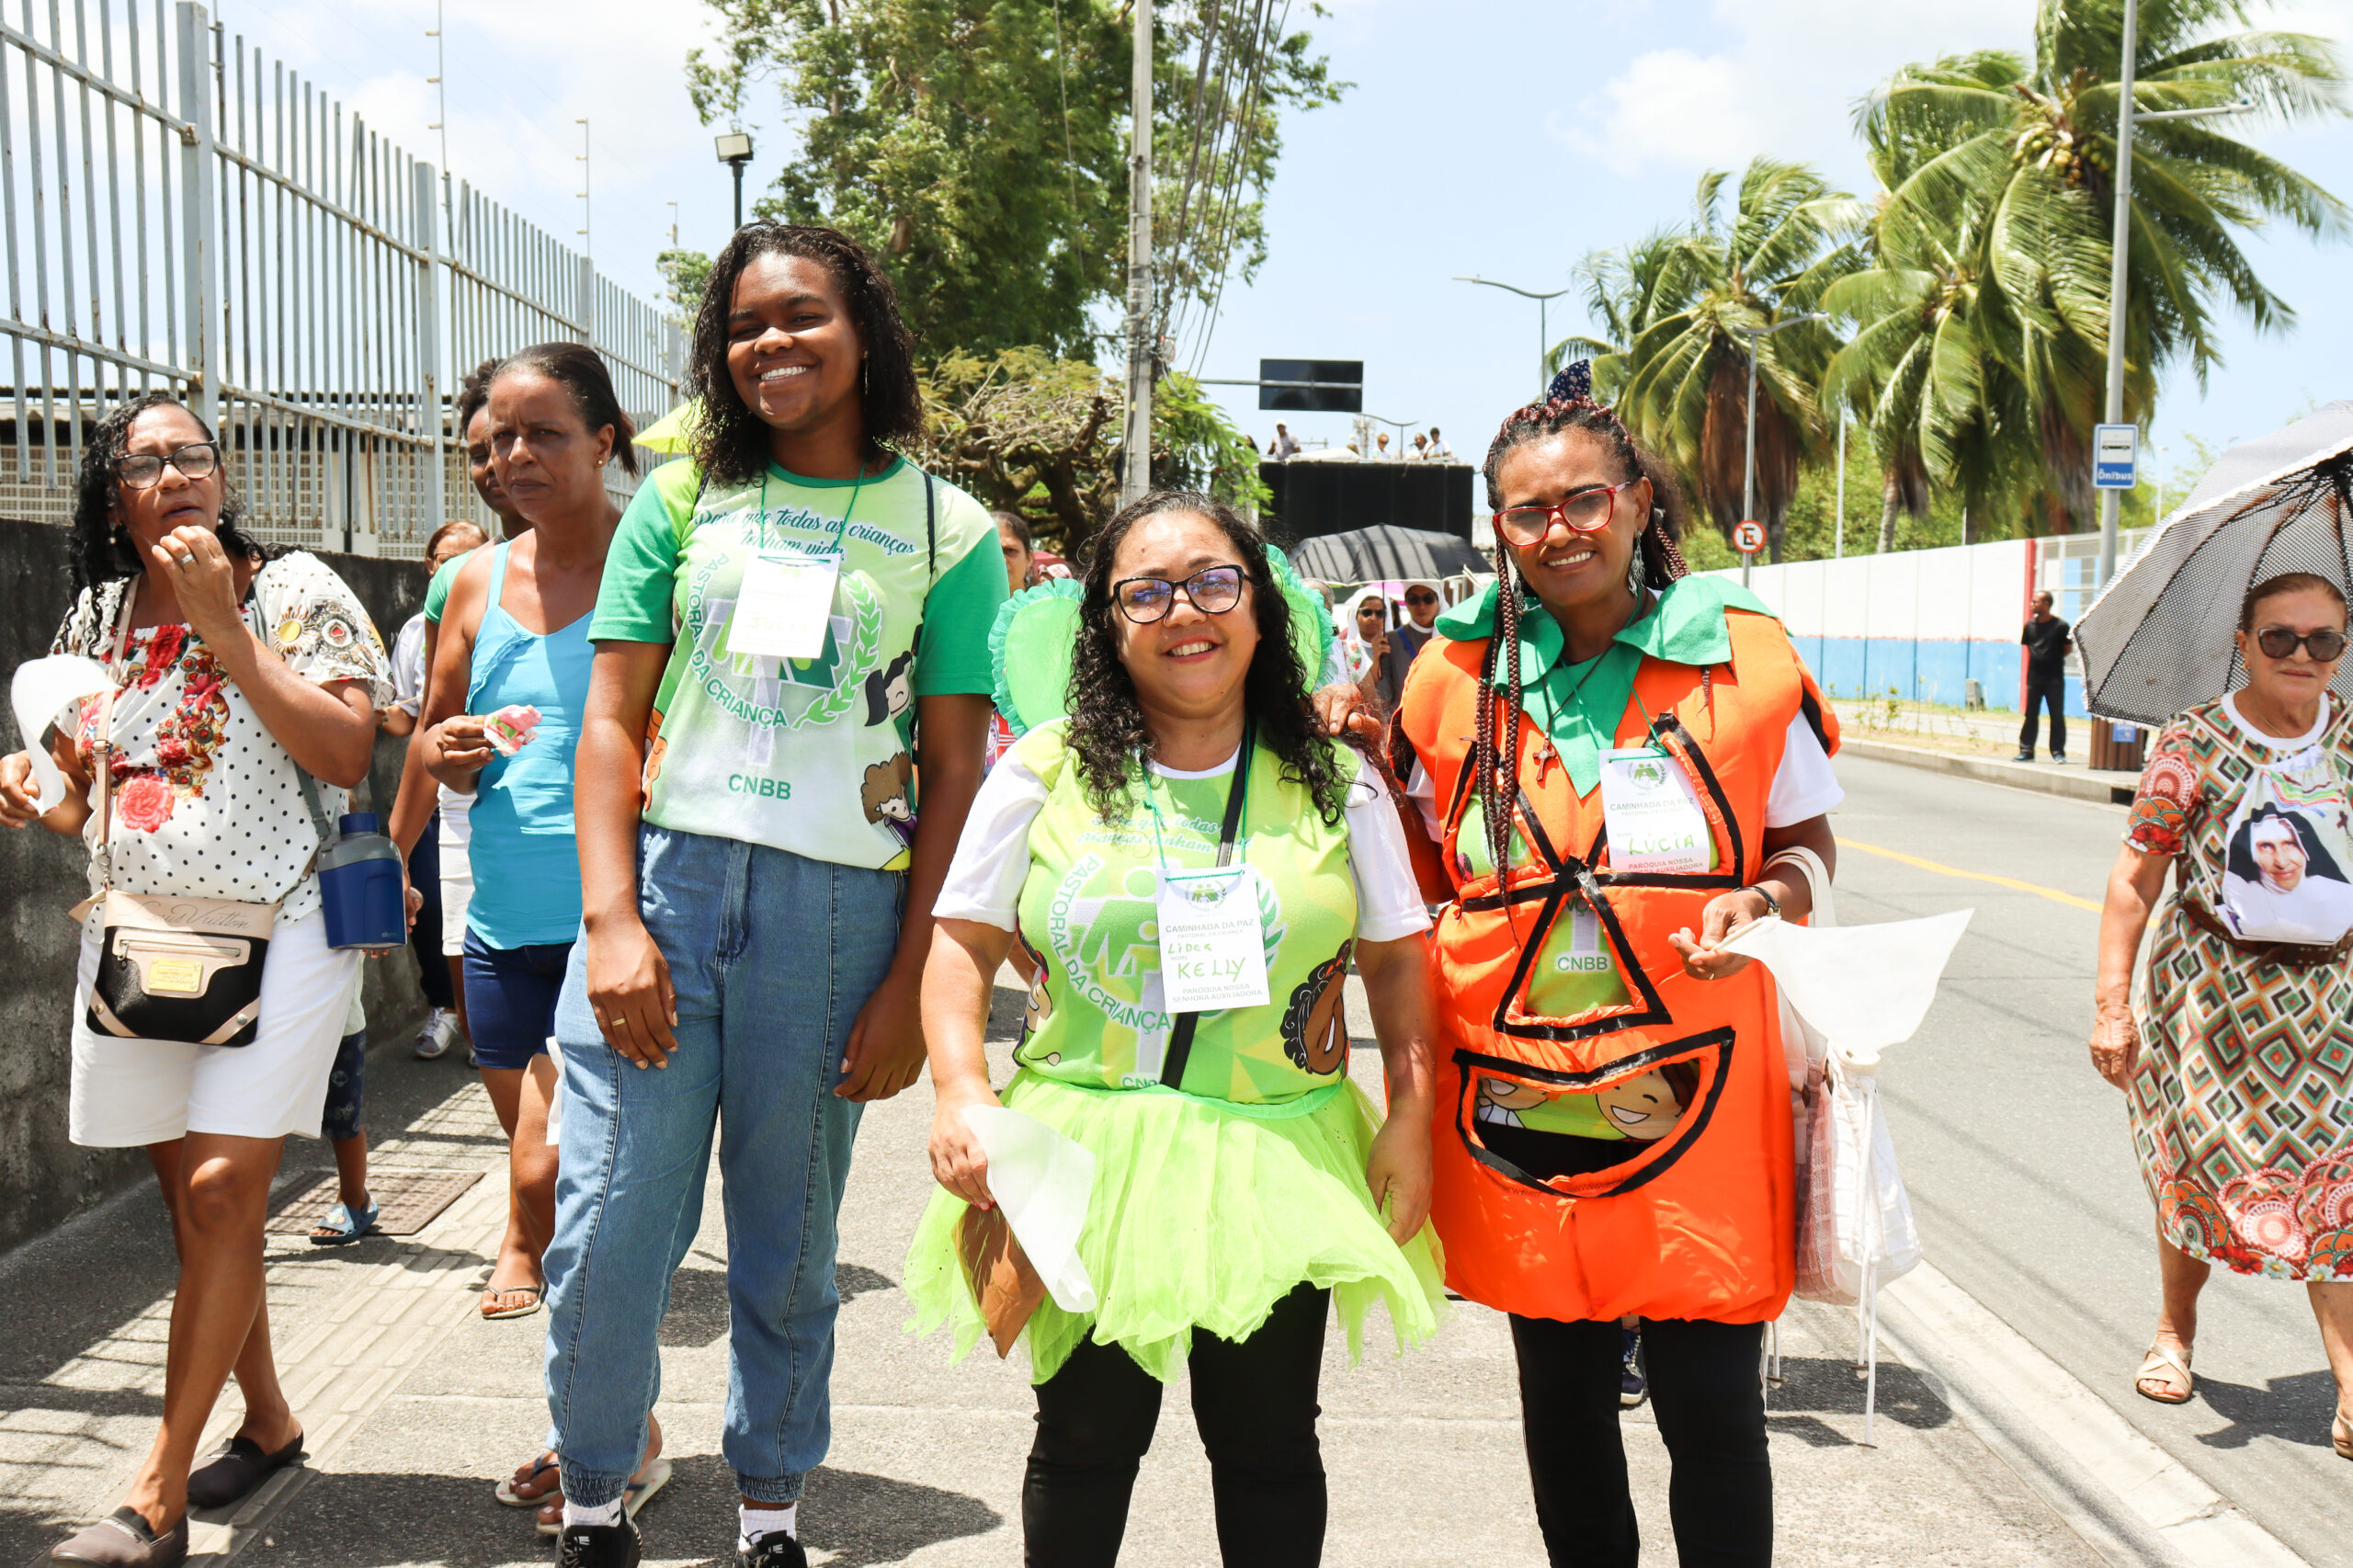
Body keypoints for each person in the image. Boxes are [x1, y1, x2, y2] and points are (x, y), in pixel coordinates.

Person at [544, 221, 1006, 1568]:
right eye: (744, 326)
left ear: (865, 332)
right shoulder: (681, 500)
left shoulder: (950, 528)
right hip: (665, 896)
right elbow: (609, 722)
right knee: (608, 1226)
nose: (772, 344)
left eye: (802, 314)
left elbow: (955, 769)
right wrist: (612, 920)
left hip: (838, 914)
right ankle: (591, 1496)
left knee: (789, 1243)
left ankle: (769, 1509)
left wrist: (912, 981)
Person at [1327, 363, 1843, 1567]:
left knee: (1711, 1400)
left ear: (1637, 500)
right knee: (1560, 1401)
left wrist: (1763, 899)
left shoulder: (1746, 657)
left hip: (1698, 1086)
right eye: (1527, 511)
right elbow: (1410, 873)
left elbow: (1805, 841)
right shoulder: (1449, 677)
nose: (1557, 530)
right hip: (1515, 1082)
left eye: (1583, 501)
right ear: (1497, 527)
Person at [904, 490, 1445, 1566]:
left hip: (1280, 1150)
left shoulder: (1337, 780)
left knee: (1268, 1444)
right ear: (1105, 624)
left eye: (1211, 581)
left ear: (1260, 605)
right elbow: (960, 942)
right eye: (1144, 592)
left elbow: (1394, 958)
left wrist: (1409, 1115)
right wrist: (960, 1087)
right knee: (1083, 1442)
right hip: (1082, 1154)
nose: (1183, 611)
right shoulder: (1043, 768)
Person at [1, 392, 391, 1568]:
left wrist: (227, 628)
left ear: (221, 477)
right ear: (111, 496)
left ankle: (154, 1497)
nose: (177, 473)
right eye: (147, 461)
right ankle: (267, 1420)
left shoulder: (296, 590)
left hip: (292, 920)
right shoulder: (97, 614)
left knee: (223, 1194)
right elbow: (87, 796)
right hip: (144, 936)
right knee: (196, 1208)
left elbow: (345, 749)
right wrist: (32, 788)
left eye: (194, 455)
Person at [2092, 572, 2353, 1452]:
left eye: (2323, 639)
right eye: (2280, 636)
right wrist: (2112, 1006)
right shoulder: (2193, 740)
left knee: (2340, 1192)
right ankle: (2176, 1332)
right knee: (2195, 1177)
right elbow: (2135, 881)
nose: (2301, 655)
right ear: (2243, 644)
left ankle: (2351, 1393)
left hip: (2333, 1010)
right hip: (2208, 1005)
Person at [388, 360, 534, 1063]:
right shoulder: (458, 582)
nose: (500, 462)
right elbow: (430, 726)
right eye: (481, 450)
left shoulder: (625, 560)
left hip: (577, 837)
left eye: (524, 437)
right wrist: (394, 855)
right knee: (486, 1035)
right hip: (465, 826)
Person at [384, 518, 487, 1059]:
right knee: (434, 908)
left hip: (497, 792)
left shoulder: (502, 600)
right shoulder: (414, 631)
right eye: (447, 559)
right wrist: (361, 712)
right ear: (430, 567)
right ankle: (450, 1009)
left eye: (471, 556)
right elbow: (414, 720)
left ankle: (488, 1026)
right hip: (440, 793)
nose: (458, 568)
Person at [2017, 589, 2073, 763]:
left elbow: (2067, 649)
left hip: (2054, 679)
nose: (2032, 604)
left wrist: (2051, 659)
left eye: (2035, 602)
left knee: (2056, 716)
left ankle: (2058, 752)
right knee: (2030, 714)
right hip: (2034, 678)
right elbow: (2029, 647)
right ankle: (2027, 750)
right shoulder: (2030, 626)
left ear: (2046, 604)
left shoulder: (2060, 626)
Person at [1374, 579, 1442, 710]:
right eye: (1413, 599)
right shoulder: (1390, 640)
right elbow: (1384, 696)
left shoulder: (1451, 638)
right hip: (1405, 717)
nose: (1421, 605)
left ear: (1439, 599)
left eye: (1428, 598)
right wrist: (1376, 660)